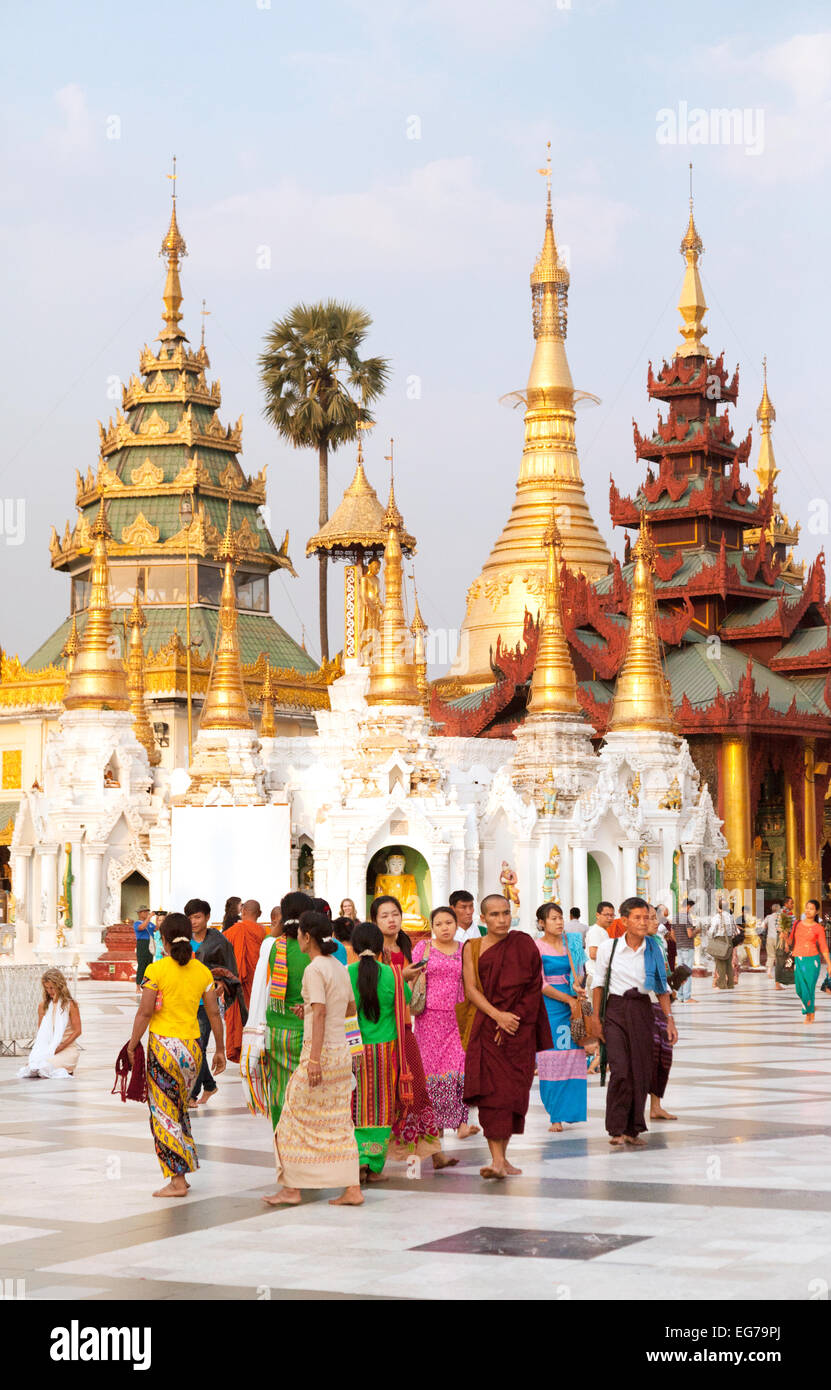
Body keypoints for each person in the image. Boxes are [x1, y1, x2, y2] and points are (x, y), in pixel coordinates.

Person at [267, 912, 362, 1207]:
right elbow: (346, 1009)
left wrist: (315, 1060)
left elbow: (320, 1011)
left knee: (291, 1117)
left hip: (319, 1053)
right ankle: (352, 1188)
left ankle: (292, 1187)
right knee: (338, 1121)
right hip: (341, 1052)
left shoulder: (314, 969)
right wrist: (307, 1012)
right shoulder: (340, 967)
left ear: (306, 937)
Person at [128, 912, 225, 1197]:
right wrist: (219, 1049)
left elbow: (146, 1011)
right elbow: (213, 1013)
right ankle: (184, 1166)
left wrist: (133, 1044)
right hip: (192, 1050)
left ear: (164, 939)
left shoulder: (156, 971)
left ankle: (177, 1180)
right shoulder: (202, 972)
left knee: (163, 1114)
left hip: (164, 1049)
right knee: (179, 1109)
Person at [462, 894, 552, 1178]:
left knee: (514, 1093)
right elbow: (471, 989)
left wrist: (513, 1019)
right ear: (482, 918)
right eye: (494, 915)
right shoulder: (473, 947)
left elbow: (533, 985)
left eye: (505, 913)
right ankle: (496, 1160)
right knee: (492, 1095)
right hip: (487, 1028)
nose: (501, 920)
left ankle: (503, 1157)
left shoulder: (523, 943)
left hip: (519, 1028)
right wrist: (497, 1016)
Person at [371, 895, 454, 1168]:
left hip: (405, 1025)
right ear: (374, 921)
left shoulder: (410, 945)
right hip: (380, 1029)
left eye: (395, 914)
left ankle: (433, 1152)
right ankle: (373, 1156)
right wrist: (400, 976)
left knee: (417, 1089)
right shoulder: (370, 951)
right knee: (383, 1093)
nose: (391, 920)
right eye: (384, 915)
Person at [592, 896, 678, 1148]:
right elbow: (598, 984)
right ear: (625, 920)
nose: (644, 922)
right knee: (620, 1069)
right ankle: (616, 1128)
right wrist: (596, 1019)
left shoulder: (654, 947)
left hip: (642, 1010)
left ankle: (633, 1128)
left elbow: (661, 987)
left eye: (648, 917)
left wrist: (669, 1020)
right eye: (638, 918)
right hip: (616, 1009)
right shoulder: (610, 947)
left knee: (640, 1070)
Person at [347, 921, 412, 1182]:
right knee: (381, 1107)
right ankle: (373, 1165)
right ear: (379, 946)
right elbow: (405, 1001)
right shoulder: (393, 974)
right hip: (386, 1050)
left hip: (353, 1049)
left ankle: (357, 1160)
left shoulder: (346, 972)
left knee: (355, 1105)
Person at [412, 906, 479, 1140]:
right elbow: (412, 978)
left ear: (456, 924)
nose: (444, 927)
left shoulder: (465, 949)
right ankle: (436, 1124)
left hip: (457, 1017)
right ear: (432, 927)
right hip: (428, 1017)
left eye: (449, 923)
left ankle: (461, 1122)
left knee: (459, 1068)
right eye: (439, 924)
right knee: (432, 1073)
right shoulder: (423, 948)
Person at [247, 891, 313, 1130]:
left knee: (279, 1089)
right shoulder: (313, 950)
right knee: (307, 1091)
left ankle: (281, 1136)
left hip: (276, 1032)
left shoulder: (273, 947)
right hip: (307, 1032)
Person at [534, 902, 587, 1132]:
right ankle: (555, 1115)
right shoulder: (537, 947)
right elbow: (540, 983)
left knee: (573, 1057)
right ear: (541, 923)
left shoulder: (572, 943)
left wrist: (578, 985)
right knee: (551, 1058)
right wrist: (567, 999)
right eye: (553, 918)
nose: (559, 922)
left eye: (560, 917)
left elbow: (581, 972)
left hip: (573, 1005)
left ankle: (571, 1111)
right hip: (550, 1007)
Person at [185, 898, 241, 1106]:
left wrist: (222, 983)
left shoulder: (219, 941)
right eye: (190, 917)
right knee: (191, 1046)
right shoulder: (183, 940)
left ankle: (192, 1093)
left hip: (206, 1004)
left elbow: (229, 969)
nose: (194, 921)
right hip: (186, 1001)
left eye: (198, 917)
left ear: (207, 917)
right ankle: (209, 1084)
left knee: (199, 1046)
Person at [223, 899, 266, 1062]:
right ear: (259, 914)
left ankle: (238, 1046)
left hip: (237, 986)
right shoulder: (265, 933)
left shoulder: (234, 931)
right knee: (258, 1017)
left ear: (243, 912)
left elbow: (222, 954)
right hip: (259, 986)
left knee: (240, 1019)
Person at [18, 969, 82, 1079]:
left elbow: (78, 1031)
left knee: (44, 1068)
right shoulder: (43, 1006)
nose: (49, 991)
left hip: (67, 1049)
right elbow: (41, 1033)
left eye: (52, 987)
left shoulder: (70, 1004)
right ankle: (56, 1065)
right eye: (46, 988)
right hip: (49, 1048)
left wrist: (60, 1046)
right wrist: (44, 1050)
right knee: (32, 1068)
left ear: (59, 986)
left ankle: (64, 1067)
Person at [646, 905, 676, 1122]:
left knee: (663, 1055)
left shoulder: (658, 942)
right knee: (641, 1058)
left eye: (655, 918)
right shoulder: (623, 946)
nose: (655, 922)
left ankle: (656, 1105)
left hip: (658, 1003)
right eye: (649, 918)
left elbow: (662, 975)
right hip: (637, 1005)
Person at [790, 899, 831, 1022]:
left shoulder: (818, 928)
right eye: (807, 907)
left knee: (809, 988)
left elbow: (823, 946)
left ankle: (809, 1014)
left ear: (816, 911)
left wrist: (829, 963)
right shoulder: (797, 924)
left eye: (811, 908)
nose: (808, 910)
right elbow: (790, 942)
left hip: (812, 961)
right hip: (798, 959)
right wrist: (784, 936)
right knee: (799, 988)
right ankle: (810, 1007)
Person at [585, 902, 615, 995]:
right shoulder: (596, 931)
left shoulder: (602, 931)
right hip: (595, 977)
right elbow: (593, 954)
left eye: (612, 915)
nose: (610, 918)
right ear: (598, 915)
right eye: (606, 915)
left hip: (600, 977)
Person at [671, 898, 698, 1003]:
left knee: (680, 972)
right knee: (687, 972)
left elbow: (672, 933)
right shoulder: (686, 917)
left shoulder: (675, 916)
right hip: (688, 947)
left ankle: (680, 995)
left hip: (680, 947)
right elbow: (690, 934)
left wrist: (678, 942)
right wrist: (697, 930)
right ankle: (687, 997)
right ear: (688, 906)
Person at [708, 901, 736, 991]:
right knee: (728, 962)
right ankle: (730, 983)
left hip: (720, 939)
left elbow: (712, 931)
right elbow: (735, 930)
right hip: (729, 940)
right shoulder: (731, 917)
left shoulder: (717, 917)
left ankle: (722, 984)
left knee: (720, 963)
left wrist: (710, 936)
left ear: (718, 907)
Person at [132, 908, 154, 999]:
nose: (146, 913)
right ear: (139, 913)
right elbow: (142, 927)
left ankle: (146, 985)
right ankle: (137, 986)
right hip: (142, 944)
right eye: (144, 912)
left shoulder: (150, 923)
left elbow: (157, 928)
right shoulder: (137, 923)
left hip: (150, 944)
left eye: (147, 912)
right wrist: (149, 917)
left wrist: (162, 918)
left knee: (149, 965)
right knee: (142, 965)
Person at [774, 898, 796, 990]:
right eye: (791, 903)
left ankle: (784, 981)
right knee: (781, 961)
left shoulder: (782, 912)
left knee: (785, 960)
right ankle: (777, 984)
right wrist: (786, 944)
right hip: (783, 940)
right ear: (786, 903)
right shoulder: (785, 913)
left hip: (783, 939)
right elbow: (784, 929)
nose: (792, 905)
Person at [763, 901, 782, 978]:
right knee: (779, 956)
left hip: (770, 937)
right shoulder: (782, 917)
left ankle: (769, 972)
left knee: (770, 955)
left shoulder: (768, 917)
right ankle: (779, 973)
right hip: (778, 938)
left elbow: (763, 926)